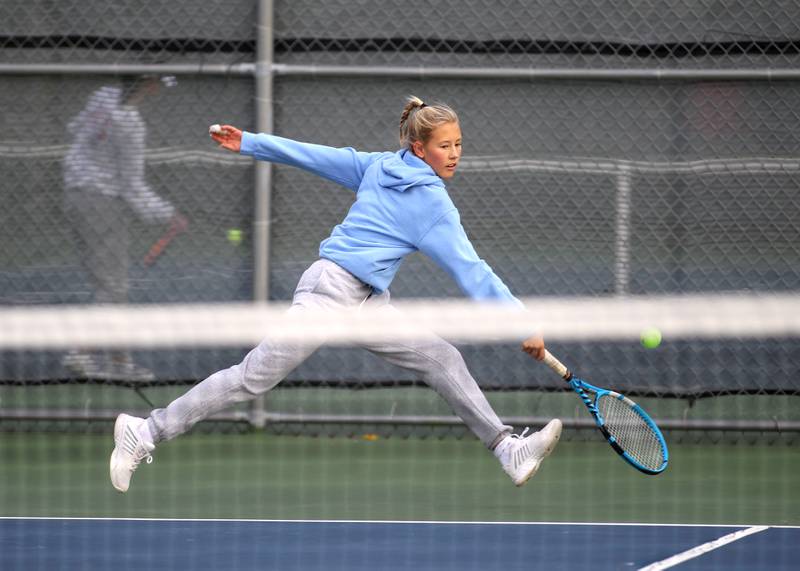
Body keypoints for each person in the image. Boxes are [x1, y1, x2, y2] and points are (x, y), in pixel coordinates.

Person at [109, 96, 562, 492]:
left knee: (441, 357)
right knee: (253, 377)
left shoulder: (380, 165)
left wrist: (249, 141)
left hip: (368, 304)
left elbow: (312, 155)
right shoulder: (425, 199)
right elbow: (473, 272)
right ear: (418, 148)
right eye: (445, 146)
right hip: (329, 292)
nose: (455, 154)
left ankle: (507, 448)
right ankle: (145, 432)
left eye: (459, 144)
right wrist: (521, 323)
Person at [62, 75, 187, 381]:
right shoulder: (131, 123)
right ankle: (80, 352)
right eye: (156, 82)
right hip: (102, 204)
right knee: (113, 288)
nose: (157, 89)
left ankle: (120, 363)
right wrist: (168, 214)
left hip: (73, 195)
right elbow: (131, 186)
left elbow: (75, 128)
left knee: (112, 286)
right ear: (148, 84)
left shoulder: (102, 95)